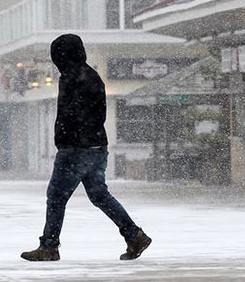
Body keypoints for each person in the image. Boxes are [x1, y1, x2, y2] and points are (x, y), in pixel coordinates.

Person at [21, 34, 151, 261]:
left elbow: (70, 114)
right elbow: (95, 113)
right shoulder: (93, 76)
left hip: (75, 149)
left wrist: (66, 138)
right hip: (97, 146)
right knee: (99, 194)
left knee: (56, 196)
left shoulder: (72, 78)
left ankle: (49, 246)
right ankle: (133, 234)